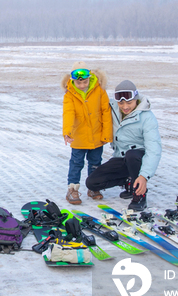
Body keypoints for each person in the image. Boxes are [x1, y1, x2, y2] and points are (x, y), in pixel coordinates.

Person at [85, 80, 162, 210]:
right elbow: (92, 98)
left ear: (136, 99)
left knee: (132, 155)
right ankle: (129, 181)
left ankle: (140, 196)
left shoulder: (147, 117)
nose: (125, 106)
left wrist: (144, 176)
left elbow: (154, 150)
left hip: (138, 158)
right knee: (92, 183)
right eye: (121, 103)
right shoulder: (111, 108)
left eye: (129, 102)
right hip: (120, 157)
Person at [61, 61, 112, 205]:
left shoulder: (99, 90)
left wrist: (106, 134)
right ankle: (72, 189)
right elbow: (68, 113)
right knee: (76, 163)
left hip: (97, 136)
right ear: (73, 81)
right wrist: (67, 132)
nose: (82, 86)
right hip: (78, 137)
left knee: (96, 163)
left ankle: (93, 187)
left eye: (85, 82)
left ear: (90, 78)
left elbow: (105, 112)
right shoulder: (69, 94)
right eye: (79, 83)